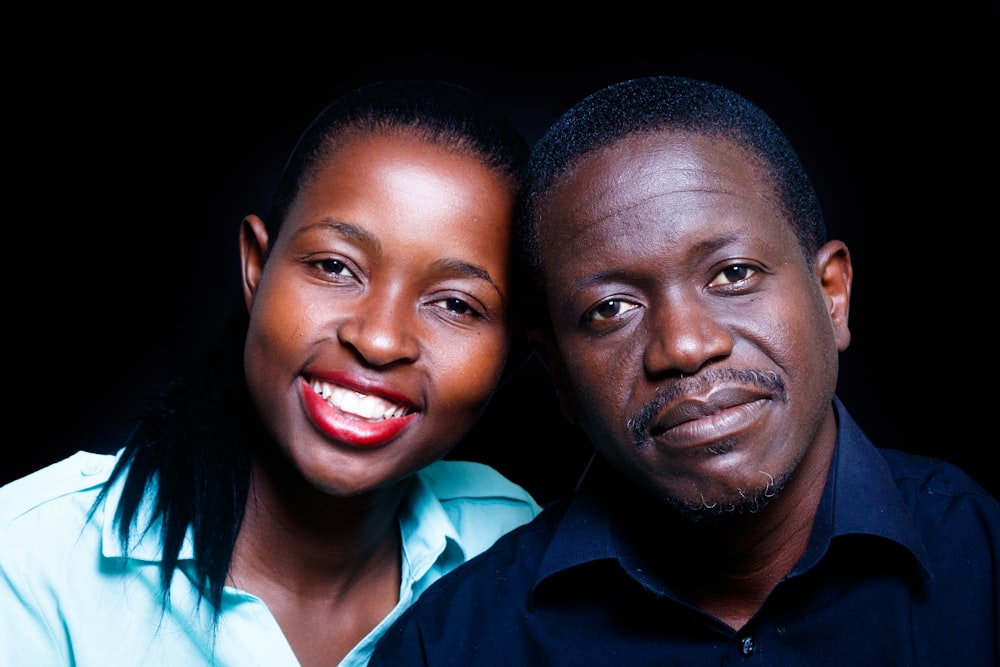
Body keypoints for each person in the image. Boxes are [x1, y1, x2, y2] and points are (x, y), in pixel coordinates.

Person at [370, 75, 1000, 665]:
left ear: (832, 294)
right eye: (611, 308)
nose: (685, 347)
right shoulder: (451, 644)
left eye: (733, 274)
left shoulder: (986, 557)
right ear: (559, 376)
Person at [0, 79, 542, 666]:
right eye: (335, 267)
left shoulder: (512, 543)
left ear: (515, 352)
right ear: (257, 267)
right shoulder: (31, 562)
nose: (380, 339)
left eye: (456, 304)